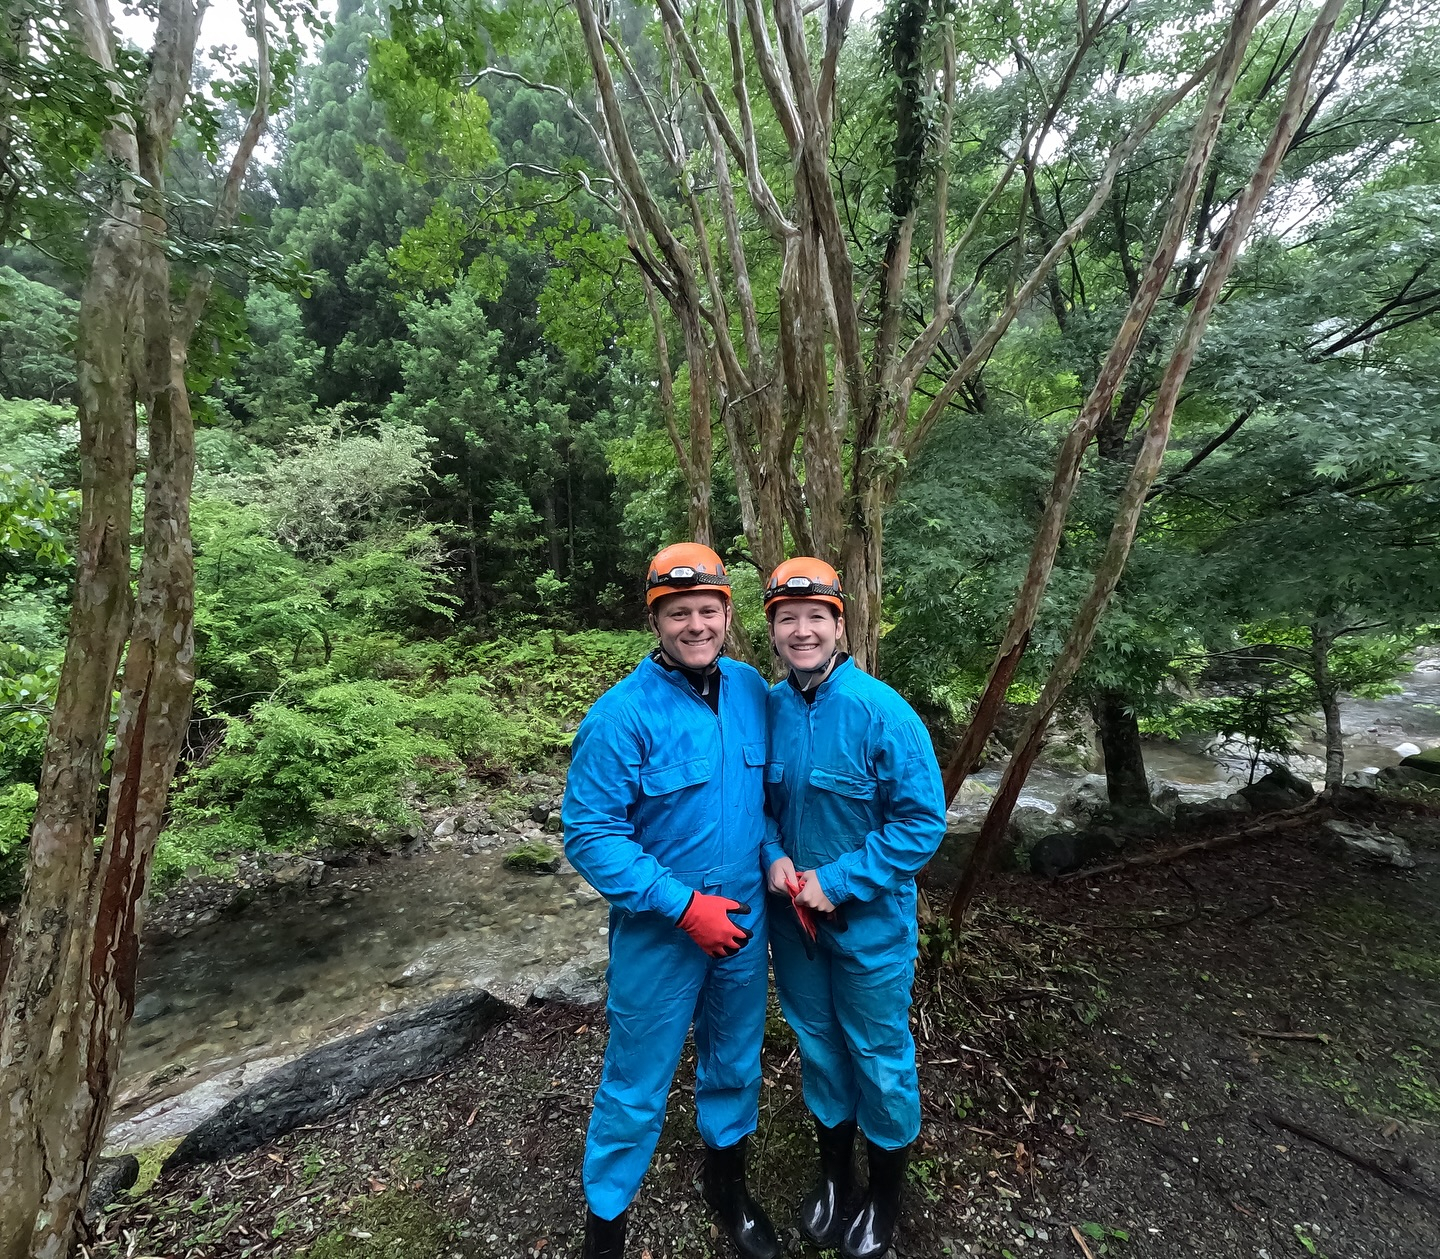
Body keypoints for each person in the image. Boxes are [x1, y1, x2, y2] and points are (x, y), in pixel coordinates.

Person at [561, 542, 782, 1259]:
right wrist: (686, 906)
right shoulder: (620, 716)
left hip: (744, 923)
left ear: (727, 613)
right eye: (678, 612)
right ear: (655, 621)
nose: (696, 624)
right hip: (661, 933)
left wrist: (779, 863)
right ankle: (606, 1230)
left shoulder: (752, 690)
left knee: (735, 1059)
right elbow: (591, 835)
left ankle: (728, 1188)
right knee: (634, 1080)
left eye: (708, 609)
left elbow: (771, 796)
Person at [761, 557, 947, 1259]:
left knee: (879, 1053)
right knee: (818, 1044)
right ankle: (835, 1174)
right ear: (773, 630)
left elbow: (921, 824)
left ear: (840, 625)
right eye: (787, 619)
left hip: (869, 924)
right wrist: (771, 854)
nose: (802, 631)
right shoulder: (768, 709)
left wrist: (835, 880)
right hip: (793, 926)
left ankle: (886, 1193)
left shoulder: (884, 713)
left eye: (816, 618)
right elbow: (756, 807)